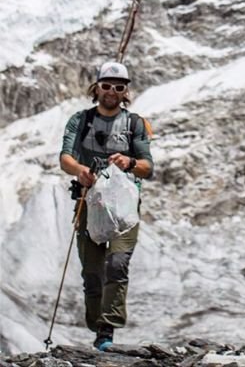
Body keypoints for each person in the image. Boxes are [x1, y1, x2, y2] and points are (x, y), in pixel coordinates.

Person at [59, 61, 154, 350]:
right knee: (92, 272)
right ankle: (96, 323)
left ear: (126, 92)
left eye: (119, 87)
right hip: (89, 204)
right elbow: (65, 157)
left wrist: (130, 162)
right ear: (96, 88)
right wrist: (80, 171)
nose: (112, 91)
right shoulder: (80, 121)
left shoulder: (135, 124)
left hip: (124, 208)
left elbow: (148, 167)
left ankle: (106, 330)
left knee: (117, 263)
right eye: (106, 85)